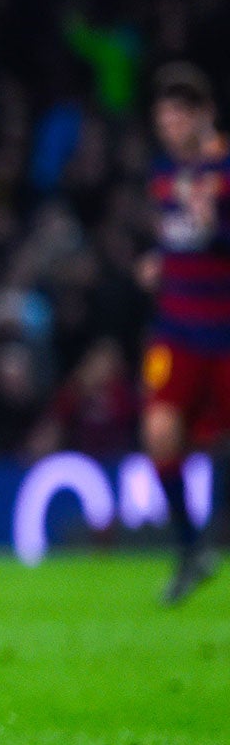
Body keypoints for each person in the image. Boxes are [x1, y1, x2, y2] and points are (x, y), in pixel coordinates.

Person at [137, 61, 230, 605]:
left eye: (177, 117)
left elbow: (212, 239)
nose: (168, 128)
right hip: (177, 328)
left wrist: (214, 228)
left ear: (204, 115)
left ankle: (211, 539)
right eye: (162, 118)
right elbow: (181, 240)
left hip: (225, 331)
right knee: (159, 434)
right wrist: (160, 261)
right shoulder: (165, 176)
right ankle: (190, 547)